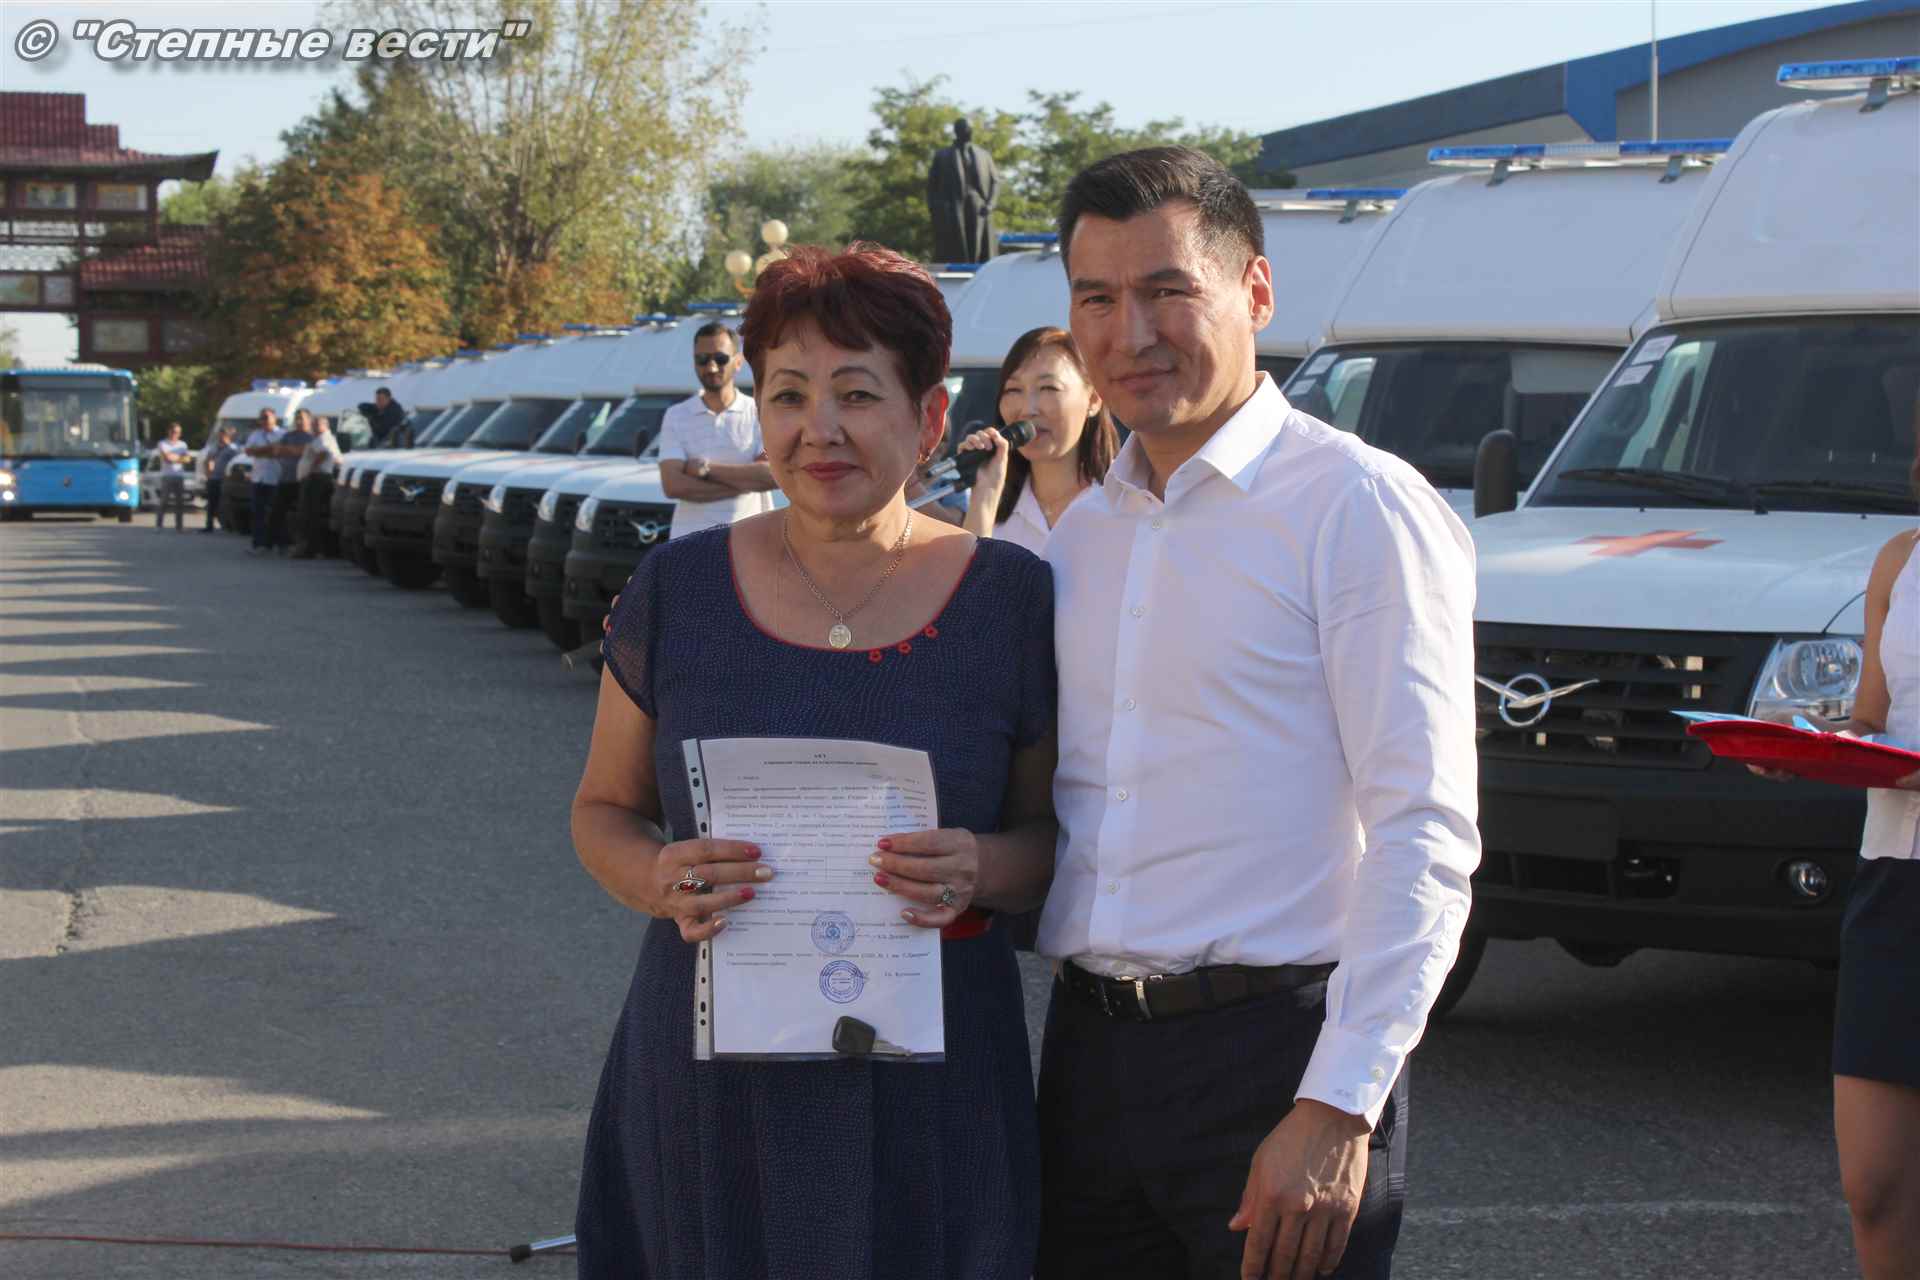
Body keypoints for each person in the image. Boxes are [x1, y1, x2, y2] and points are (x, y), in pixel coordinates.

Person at [1034, 147, 1480, 1280]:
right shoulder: (1085, 534)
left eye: (1167, 290)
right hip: (1089, 1062)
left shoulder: (1357, 507)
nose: (1131, 333)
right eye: (1097, 299)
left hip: (1277, 1064)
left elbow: (1426, 829)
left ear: (1257, 291)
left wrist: (1339, 1103)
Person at [572, 243, 1057, 1279]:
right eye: (788, 394)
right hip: (711, 1074)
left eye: (857, 393)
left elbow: (1047, 842)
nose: (818, 427)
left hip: (936, 1077)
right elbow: (603, 808)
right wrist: (655, 876)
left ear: (930, 418)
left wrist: (981, 864)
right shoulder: (676, 589)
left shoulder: (1010, 598)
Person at [1750, 411, 1920, 1279]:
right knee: (1876, 1188)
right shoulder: (1901, 559)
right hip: (1895, 886)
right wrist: (1807, 747)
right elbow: (1874, 720)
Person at [955, 326, 1117, 555]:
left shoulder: (1128, 503)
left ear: (1093, 400)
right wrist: (984, 497)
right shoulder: (992, 509)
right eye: (1013, 390)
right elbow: (970, 577)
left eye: (1048, 388)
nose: (1027, 409)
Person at [656, 321, 779, 540]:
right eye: (702, 359)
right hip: (689, 545)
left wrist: (705, 470)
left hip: (750, 543)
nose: (711, 367)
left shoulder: (759, 412)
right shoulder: (677, 415)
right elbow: (673, 485)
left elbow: (772, 475)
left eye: (720, 359)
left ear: (738, 362)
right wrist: (745, 484)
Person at [928, 118, 999, 264]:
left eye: (970, 129)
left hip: (979, 207)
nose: (970, 132)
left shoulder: (984, 155)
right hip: (953, 210)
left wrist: (990, 204)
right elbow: (931, 187)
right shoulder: (942, 156)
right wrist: (938, 210)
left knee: (979, 248)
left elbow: (995, 182)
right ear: (957, 131)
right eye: (966, 129)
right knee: (956, 252)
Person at [292, 414, 342, 558]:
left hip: (317, 478)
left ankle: (310, 548)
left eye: (317, 424)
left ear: (325, 426)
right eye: (313, 424)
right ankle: (312, 547)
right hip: (316, 477)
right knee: (309, 514)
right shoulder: (320, 438)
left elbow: (323, 453)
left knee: (309, 514)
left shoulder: (324, 438)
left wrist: (311, 469)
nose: (313, 427)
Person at [268, 409, 316, 557]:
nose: (299, 421)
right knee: (277, 512)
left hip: (303, 480)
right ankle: (281, 543)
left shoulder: (312, 437)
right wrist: (291, 450)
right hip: (286, 479)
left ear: (309, 419)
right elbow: (275, 451)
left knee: (303, 514)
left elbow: (304, 452)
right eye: (297, 418)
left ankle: (302, 545)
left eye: (302, 418)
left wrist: (289, 450)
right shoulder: (288, 436)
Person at [243, 409, 284, 555]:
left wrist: (259, 451)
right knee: (257, 513)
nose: (264, 420)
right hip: (258, 478)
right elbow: (248, 451)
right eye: (262, 418)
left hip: (275, 478)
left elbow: (278, 452)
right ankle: (258, 544)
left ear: (274, 418)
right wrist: (268, 449)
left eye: (267, 417)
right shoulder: (255, 434)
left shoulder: (282, 434)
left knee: (274, 513)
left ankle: (275, 543)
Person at [154, 422, 192, 530]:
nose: (176, 434)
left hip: (179, 476)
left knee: (180, 502)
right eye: (174, 432)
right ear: (169, 431)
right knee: (164, 501)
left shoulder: (183, 444)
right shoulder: (162, 443)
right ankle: (159, 525)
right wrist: (180, 458)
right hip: (167, 476)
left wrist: (176, 457)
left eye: (178, 432)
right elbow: (167, 458)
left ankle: (179, 526)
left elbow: (187, 459)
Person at [201, 426, 238, 533]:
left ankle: (228, 526)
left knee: (224, 503)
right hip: (213, 478)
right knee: (211, 503)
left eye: (223, 435)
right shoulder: (214, 447)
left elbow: (235, 464)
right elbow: (207, 460)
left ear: (228, 436)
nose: (221, 437)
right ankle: (209, 525)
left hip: (225, 479)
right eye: (220, 435)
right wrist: (208, 473)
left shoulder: (232, 449)